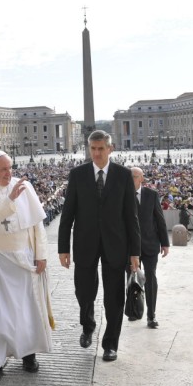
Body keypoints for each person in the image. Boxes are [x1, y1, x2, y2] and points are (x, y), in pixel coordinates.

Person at [57, 130, 141, 362]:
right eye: (92, 149)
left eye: (100, 149)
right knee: (83, 292)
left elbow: (131, 216)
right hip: (85, 243)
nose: (96, 153)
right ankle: (88, 324)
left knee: (114, 297)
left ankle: (110, 344)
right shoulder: (77, 174)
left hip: (116, 244)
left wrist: (135, 252)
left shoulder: (124, 175)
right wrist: (63, 248)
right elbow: (68, 213)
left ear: (110, 149)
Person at [0, 151, 53, 379]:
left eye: (10, 168)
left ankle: (28, 355)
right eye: (3, 169)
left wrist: (41, 254)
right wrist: (9, 201)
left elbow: (37, 225)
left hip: (24, 257)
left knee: (26, 309)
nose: (9, 173)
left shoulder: (23, 186)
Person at [131, 167, 170, 328]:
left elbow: (160, 219)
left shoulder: (152, 195)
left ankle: (151, 315)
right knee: (131, 278)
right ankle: (133, 310)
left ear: (141, 178)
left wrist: (165, 243)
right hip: (130, 247)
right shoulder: (122, 195)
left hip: (150, 244)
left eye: (134, 177)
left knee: (150, 278)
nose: (131, 179)